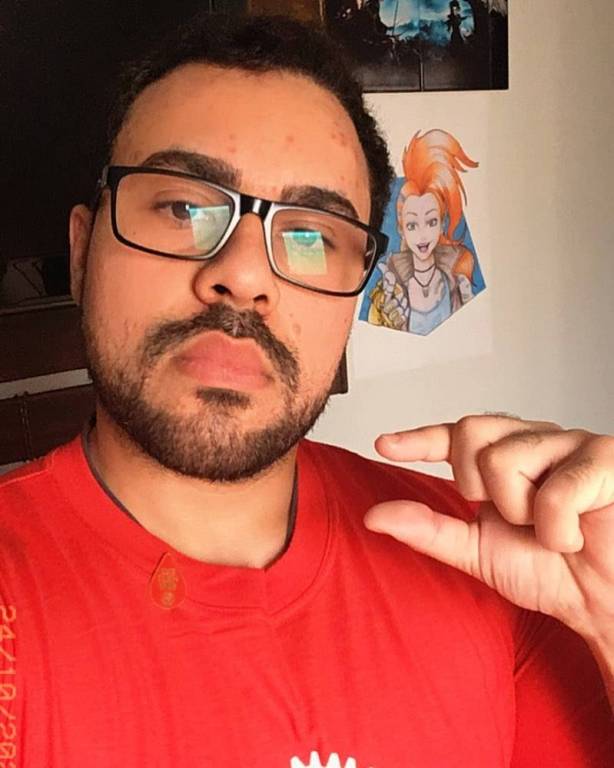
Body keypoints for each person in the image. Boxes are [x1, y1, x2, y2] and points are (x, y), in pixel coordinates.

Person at [0, 13, 613, 768]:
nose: (242, 276)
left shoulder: (496, 563)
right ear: (81, 252)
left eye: (311, 235)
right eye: (184, 209)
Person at [368, 128, 478, 335]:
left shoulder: (457, 275)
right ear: (401, 229)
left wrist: (468, 303)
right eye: (412, 225)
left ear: (442, 224)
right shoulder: (391, 281)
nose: (422, 235)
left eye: (431, 222)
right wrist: (386, 314)